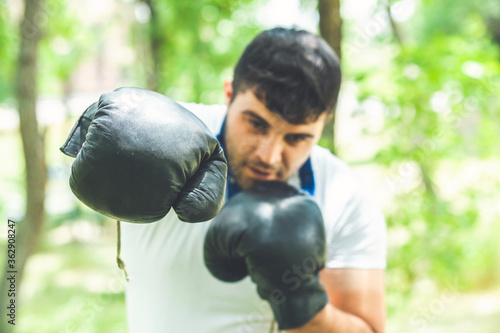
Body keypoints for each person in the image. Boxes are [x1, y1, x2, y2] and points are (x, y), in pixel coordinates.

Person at [62, 27, 386, 332]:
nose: (270, 156)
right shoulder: (165, 136)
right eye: (257, 124)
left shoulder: (344, 196)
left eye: (297, 138)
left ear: (324, 124)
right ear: (229, 93)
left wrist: (300, 298)